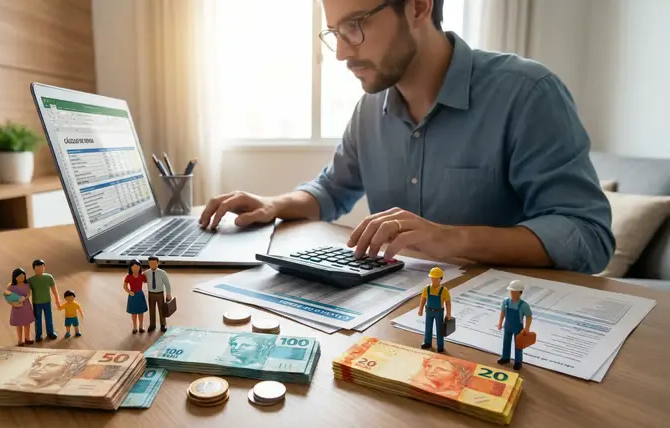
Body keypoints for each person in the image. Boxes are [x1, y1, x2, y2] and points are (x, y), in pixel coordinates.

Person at [198, 0, 614, 275]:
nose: (342, 53)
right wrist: (273, 204)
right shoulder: (370, 108)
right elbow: (331, 189)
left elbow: (588, 237)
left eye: (356, 26)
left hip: (501, 329)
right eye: (335, 33)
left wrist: (451, 238)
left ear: (418, 6)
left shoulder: (527, 94)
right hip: (389, 318)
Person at [497, 280, 533, 370]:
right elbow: (502, 312)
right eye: (511, 291)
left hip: (518, 328)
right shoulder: (505, 302)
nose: (512, 293)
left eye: (514, 292)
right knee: (506, 343)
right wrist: (500, 323)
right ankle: (505, 357)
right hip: (507, 326)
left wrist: (527, 328)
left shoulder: (524, 305)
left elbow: (529, 317)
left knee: (518, 345)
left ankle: (518, 362)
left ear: (520, 293)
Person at [417, 267, 451, 352]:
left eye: (436, 279)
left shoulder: (444, 290)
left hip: (439, 312)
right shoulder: (427, 289)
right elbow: (423, 299)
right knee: (428, 327)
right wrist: (420, 309)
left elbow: (448, 303)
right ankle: (427, 342)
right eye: (432, 278)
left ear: (440, 279)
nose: (434, 280)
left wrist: (448, 313)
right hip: (429, 311)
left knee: (439, 329)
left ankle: (440, 345)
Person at [28, 259, 61, 341]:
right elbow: (27, 293)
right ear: (34, 269)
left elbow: (54, 290)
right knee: (37, 319)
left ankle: (50, 332)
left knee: (49, 317)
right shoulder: (30, 280)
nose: (40, 270)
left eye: (42, 268)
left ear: (44, 268)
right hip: (36, 303)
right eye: (37, 269)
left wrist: (57, 300)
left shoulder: (49, 277)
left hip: (47, 302)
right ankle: (38, 335)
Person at [6, 268, 35, 346]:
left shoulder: (27, 284)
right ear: (15, 277)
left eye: (23, 276)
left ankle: (27, 338)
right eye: (19, 276)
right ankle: (20, 340)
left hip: (26, 306)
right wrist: (15, 302)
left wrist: (25, 298)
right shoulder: (11, 286)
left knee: (27, 323)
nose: (21, 278)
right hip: (17, 307)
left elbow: (29, 293)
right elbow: (8, 297)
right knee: (19, 324)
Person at [145, 256, 172, 333]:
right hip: (151, 294)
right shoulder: (147, 273)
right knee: (152, 309)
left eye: (154, 263)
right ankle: (152, 324)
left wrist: (168, 294)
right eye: (150, 263)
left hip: (160, 293)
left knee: (161, 309)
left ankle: (163, 324)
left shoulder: (162, 273)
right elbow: (142, 280)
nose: (152, 265)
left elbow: (167, 284)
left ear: (158, 263)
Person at [123, 259, 148, 334]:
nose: (135, 269)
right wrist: (129, 291)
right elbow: (125, 286)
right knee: (133, 313)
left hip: (140, 295)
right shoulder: (128, 277)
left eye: (137, 267)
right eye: (133, 267)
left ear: (140, 268)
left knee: (141, 312)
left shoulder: (142, 276)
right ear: (130, 268)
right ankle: (134, 327)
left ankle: (141, 326)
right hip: (132, 295)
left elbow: (147, 281)